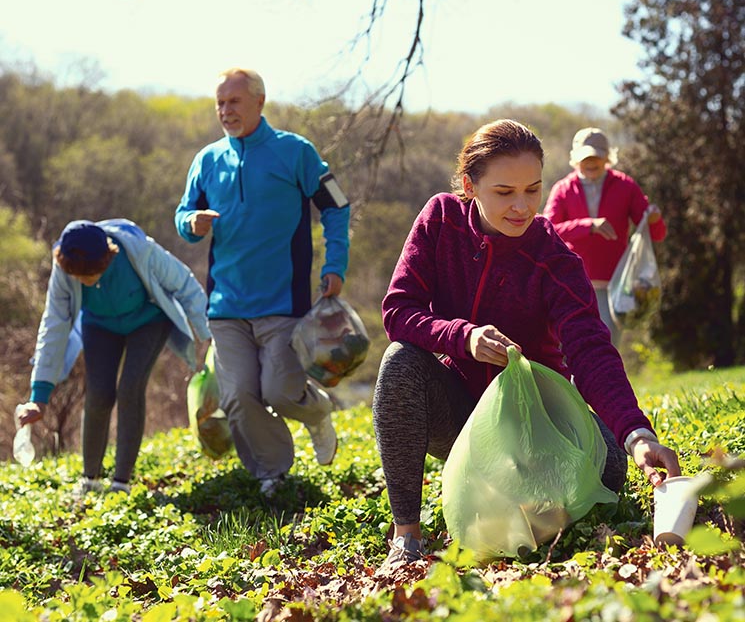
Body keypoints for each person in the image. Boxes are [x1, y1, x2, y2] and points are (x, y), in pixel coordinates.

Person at [372, 119, 680, 567]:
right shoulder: (440, 221)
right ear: (469, 184)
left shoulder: (553, 256)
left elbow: (591, 349)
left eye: (532, 190)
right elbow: (398, 311)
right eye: (504, 192)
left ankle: (530, 493)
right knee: (400, 362)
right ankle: (407, 538)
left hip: (537, 425)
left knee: (611, 468)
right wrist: (463, 337)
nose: (521, 206)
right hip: (463, 416)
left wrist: (636, 432)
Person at [174, 68, 350, 497]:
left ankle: (318, 412)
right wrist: (191, 224)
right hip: (226, 305)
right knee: (237, 397)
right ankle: (273, 474)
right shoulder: (207, 160)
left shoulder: (296, 152)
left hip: (282, 302)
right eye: (219, 103)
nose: (225, 111)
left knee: (281, 392)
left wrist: (335, 264)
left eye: (234, 101)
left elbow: (337, 207)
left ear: (259, 101)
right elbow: (182, 215)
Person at [16, 219, 210, 496]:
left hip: (148, 320)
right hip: (100, 326)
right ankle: (90, 479)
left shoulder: (140, 251)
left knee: (131, 388)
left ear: (107, 256)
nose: (86, 281)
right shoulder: (65, 270)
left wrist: (209, 332)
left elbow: (185, 285)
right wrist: (39, 396)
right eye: (79, 277)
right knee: (99, 395)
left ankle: (121, 482)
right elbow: (54, 325)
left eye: (91, 274)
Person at [542, 127, 666, 347]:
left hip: (615, 285)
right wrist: (588, 226)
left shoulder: (626, 185)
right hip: (573, 283)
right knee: (572, 347)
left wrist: (654, 219)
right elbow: (547, 230)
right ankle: (573, 384)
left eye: (597, 157)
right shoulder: (563, 189)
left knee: (606, 345)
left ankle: (600, 383)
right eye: (585, 158)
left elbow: (656, 234)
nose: (591, 163)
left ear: (607, 157)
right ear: (575, 159)